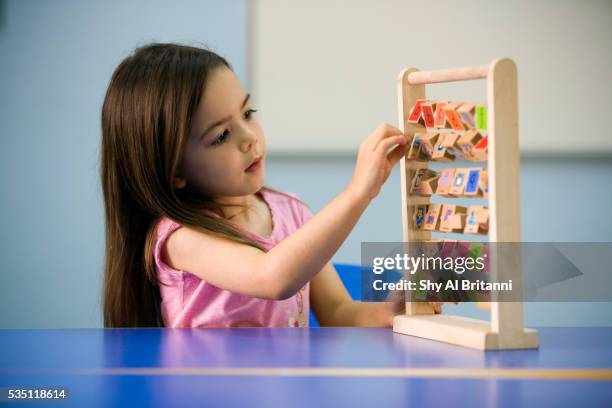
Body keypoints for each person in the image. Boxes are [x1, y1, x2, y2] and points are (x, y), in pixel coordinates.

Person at [101, 43, 442, 328]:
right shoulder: (179, 237)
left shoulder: (292, 212)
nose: (249, 138)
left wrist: (391, 310)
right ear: (174, 170)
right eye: (221, 135)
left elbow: (338, 313)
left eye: (248, 114)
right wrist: (358, 192)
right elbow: (273, 277)